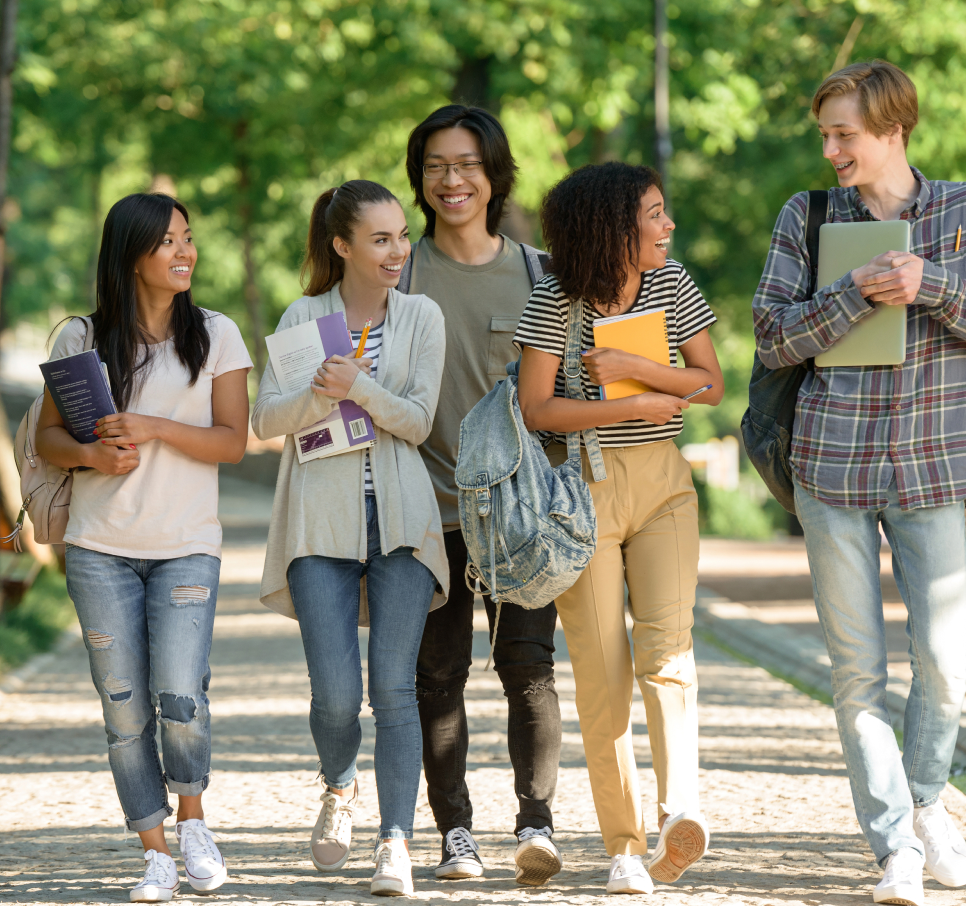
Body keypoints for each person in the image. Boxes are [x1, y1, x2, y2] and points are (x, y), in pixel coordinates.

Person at [750, 60, 966, 906]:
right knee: (856, 672)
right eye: (825, 134)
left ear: (893, 130)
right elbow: (770, 337)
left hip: (932, 468)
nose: (831, 149)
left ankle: (927, 799)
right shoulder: (806, 216)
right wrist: (852, 297)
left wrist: (931, 286)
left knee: (945, 662)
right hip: (831, 468)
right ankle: (894, 849)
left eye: (846, 134)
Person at [34, 193, 252, 903]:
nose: (184, 252)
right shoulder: (80, 339)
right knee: (124, 705)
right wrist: (93, 458)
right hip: (99, 549)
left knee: (180, 693)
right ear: (130, 255)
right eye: (167, 242)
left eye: (188, 238)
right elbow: (47, 441)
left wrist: (155, 426)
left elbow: (232, 441)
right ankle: (153, 847)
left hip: (187, 544)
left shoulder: (216, 335)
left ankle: (193, 822)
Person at [515, 162, 723, 895]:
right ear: (612, 229)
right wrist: (624, 406)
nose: (668, 227)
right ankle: (624, 845)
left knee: (668, 653)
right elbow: (537, 408)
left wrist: (639, 368)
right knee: (603, 677)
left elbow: (709, 383)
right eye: (655, 215)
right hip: (583, 495)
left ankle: (679, 813)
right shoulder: (553, 301)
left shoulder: (671, 285)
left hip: (664, 486)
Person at [251, 179, 447, 898]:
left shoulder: (422, 315)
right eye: (381, 239)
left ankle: (395, 839)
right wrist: (319, 394)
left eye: (402, 236)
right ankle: (339, 785)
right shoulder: (305, 315)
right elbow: (267, 420)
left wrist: (360, 387)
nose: (398, 251)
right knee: (336, 696)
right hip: (319, 521)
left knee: (393, 688)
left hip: (401, 520)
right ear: (342, 246)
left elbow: (420, 422)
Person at [398, 104, 564, 886]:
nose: (451, 180)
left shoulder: (540, 274)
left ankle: (537, 823)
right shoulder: (397, 275)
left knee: (528, 667)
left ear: (495, 175)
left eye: (466, 164)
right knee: (437, 678)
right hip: (425, 514)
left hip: (519, 520)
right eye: (435, 166)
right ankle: (454, 832)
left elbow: (566, 390)